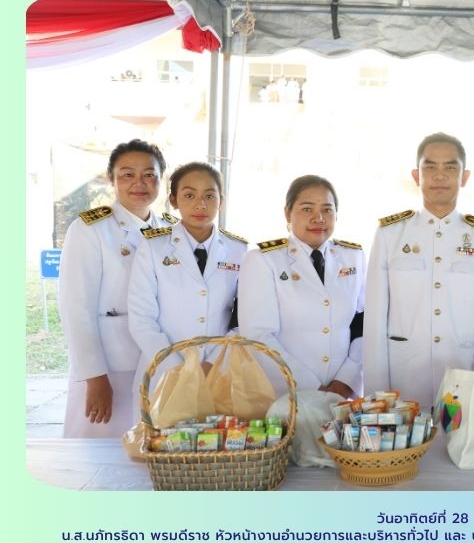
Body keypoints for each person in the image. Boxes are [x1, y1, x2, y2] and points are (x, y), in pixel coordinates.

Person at [363, 133, 474, 407]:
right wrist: (376, 396)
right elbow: (374, 316)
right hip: (403, 380)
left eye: (450, 167)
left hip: (463, 375)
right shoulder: (390, 234)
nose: (440, 175)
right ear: (416, 175)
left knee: (459, 434)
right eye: (430, 167)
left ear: (464, 177)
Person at [59, 139, 172, 437]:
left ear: (161, 179)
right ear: (111, 179)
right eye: (127, 174)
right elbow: (76, 308)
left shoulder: (171, 230)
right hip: (112, 363)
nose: (139, 183)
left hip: (158, 360)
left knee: (150, 448)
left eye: (149, 175)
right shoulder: (90, 229)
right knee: (101, 451)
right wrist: (94, 376)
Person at [238, 175, 365, 397]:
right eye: (307, 209)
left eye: (327, 210)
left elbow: (364, 324)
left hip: (344, 396)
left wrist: (345, 381)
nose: (319, 218)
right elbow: (258, 335)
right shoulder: (263, 260)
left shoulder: (353, 256)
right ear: (288, 213)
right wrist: (312, 389)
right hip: (287, 395)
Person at [128, 162, 246, 396]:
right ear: (173, 200)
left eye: (209, 196)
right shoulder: (153, 247)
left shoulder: (238, 250)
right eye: (189, 195)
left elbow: (243, 318)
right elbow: (142, 319)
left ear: (221, 201)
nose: (200, 204)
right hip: (164, 372)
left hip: (219, 371)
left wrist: (212, 364)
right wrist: (179, 368)